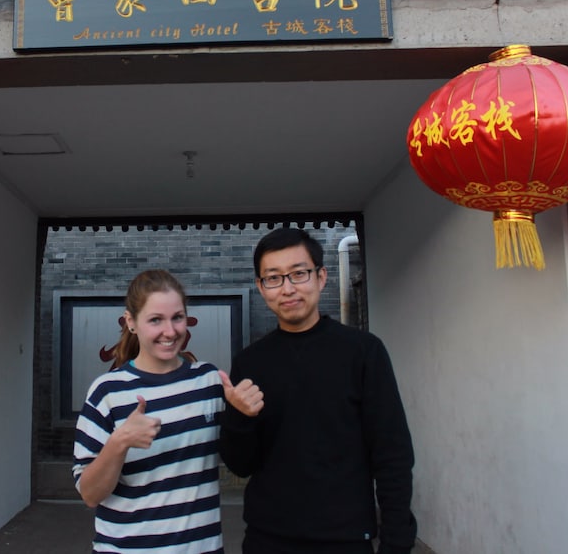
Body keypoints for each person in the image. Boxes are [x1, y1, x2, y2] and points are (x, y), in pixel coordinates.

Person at [218, 227, 417, 554]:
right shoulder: (250, 363)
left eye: (299, 274)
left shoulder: (363, 352)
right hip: (268, 538)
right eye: (274, 278)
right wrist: (239, 418)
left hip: (346, 539)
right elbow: (240, 465)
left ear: (321, 277)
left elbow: (392, 454)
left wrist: (397, 542)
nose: (288, 288)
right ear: (261, 287)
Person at [73, 269, 263, 554]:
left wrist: (243, 415)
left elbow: (242, 458)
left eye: (177, 317)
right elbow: (90, 494)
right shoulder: (107, 392)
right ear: (131, 322)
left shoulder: (209, 382)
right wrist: (119, 443)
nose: (170, 331)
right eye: (155, 320)